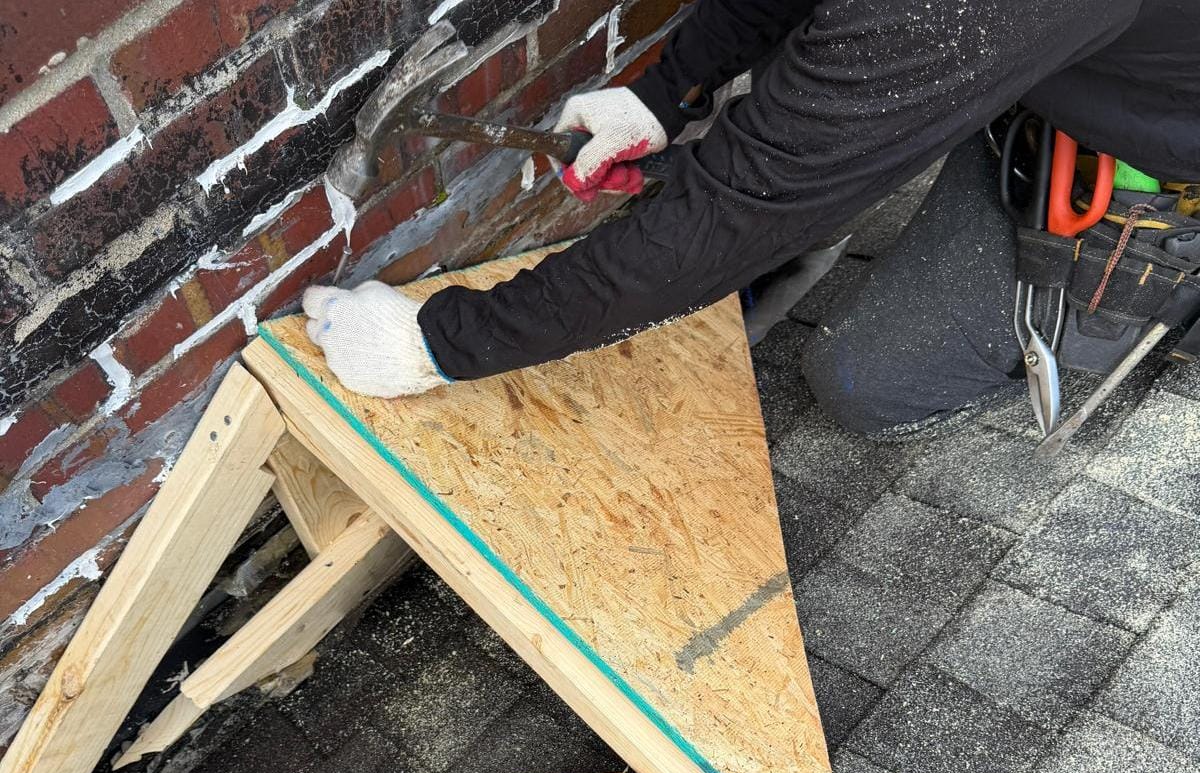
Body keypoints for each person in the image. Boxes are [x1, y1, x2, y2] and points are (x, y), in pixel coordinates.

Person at [302, 0, 1199, 435]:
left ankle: (1159, 303)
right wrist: (664, 91)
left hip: (1144, 168)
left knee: (862, 386)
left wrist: (444, 342)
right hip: (1048, 70)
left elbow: (748, 203)